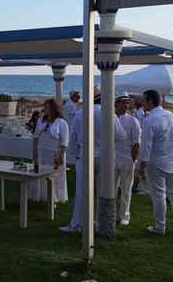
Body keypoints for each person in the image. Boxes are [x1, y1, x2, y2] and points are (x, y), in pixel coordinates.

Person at [138, 90, 173, 235]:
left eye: (143, 100)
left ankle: (160, 226)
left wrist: (141, 165)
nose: (141, 103)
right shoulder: (170, 115)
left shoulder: (149, 120)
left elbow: (146, 146)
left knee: (158, 195)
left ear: (150, 101)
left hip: (156, 162)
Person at [61, 86, 101, 234]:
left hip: (85, 156)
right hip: (102, 157)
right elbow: (119, 135)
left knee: (82, 192)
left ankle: (77, 223)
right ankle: (97, 222)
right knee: (100, 192)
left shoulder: (81, 114)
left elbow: (73, 136)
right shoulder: (109, 114)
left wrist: (75, 153)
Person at [31, 99, 69, 204]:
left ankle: (54, 197)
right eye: (45, 107)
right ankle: (41, 196)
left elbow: (64, 143)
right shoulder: (40, 120)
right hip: (42, 152)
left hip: (54, 154)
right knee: (40, 173)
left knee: (54, 177)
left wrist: (60, 156)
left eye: (48, 107)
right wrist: (34, 154)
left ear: (53, 108)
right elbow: (35, 137)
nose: (45, 109)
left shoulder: (62, 123)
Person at [114, 92, 141, 226]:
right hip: (112, 159)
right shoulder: (109, 118)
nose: (126, 105)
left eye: (127, 102)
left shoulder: (133, 121)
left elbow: (136, 143)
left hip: (126, 159)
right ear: (116, 103)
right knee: (110, 189)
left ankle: (124, 216)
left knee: (126, 189)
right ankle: (111, 213)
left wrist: (133, 161)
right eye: (123, 102)